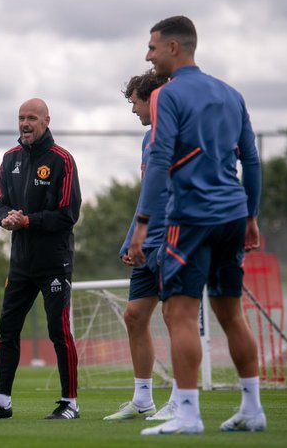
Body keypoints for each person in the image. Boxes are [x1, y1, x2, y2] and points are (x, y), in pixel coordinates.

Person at [128, 16, 264, 435]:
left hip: (189, 219)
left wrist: (143, 224)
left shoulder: (167, 96)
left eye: (152, 47)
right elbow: (252, 161)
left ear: (173, 48)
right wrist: (252, 216)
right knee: (231, 313)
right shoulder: (231, 93)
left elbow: (159, 160)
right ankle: (252, 409)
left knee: (180, 313)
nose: (148, 55)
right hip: (232, 215)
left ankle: (187, 413)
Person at [0, 98, 82, 420]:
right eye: (21, 118)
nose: (25, 124)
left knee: (59, 331)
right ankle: (2, 402)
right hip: (20, 263)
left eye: (32, 118)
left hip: (54, 263)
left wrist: (28, 220)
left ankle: (70, 403)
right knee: (8, 328)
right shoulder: (9, 159)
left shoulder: (62, 160)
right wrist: (6, 218)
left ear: (46, 121)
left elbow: (68, 214)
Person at [102, 70, 179, 422]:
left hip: (173, 241)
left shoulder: (177, 133)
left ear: (152, 98)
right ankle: (143, 399)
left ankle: (182, 399)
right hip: (145, 245)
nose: (132, 109)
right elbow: (147, 194)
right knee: (134, 316)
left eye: (134, 101)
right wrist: (131, 237)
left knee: (176, 317)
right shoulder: (147, 140)